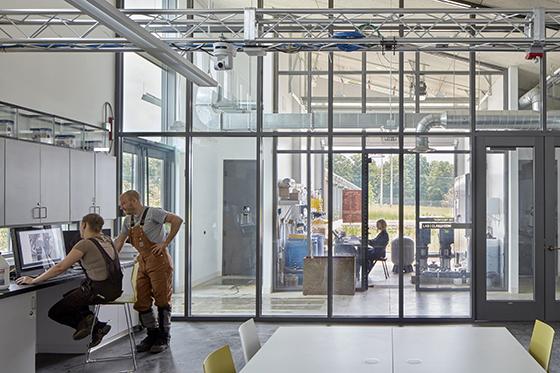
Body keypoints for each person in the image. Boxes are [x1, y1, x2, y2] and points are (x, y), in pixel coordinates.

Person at [16, 214, 123, 348]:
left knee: (56, 312)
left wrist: (34, 280)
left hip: (98, 292)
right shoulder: (107, 239)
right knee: (71, 296)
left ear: (84, 225)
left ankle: (96, 326)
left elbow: (60, 267)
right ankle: (94, 324)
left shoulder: (85, 243)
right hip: (114, 290)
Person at [114, 190, 183, 354]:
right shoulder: (128, 220)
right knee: (142, 299)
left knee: (162, 298)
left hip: (159, 260)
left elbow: (177, 220)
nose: (121, 206)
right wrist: (111, 258)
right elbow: (120, 240)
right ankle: (151, 334)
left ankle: (164, 337)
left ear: (134, 201)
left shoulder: (154, 212)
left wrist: (165, 243)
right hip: (142, 261)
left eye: (124, 203)